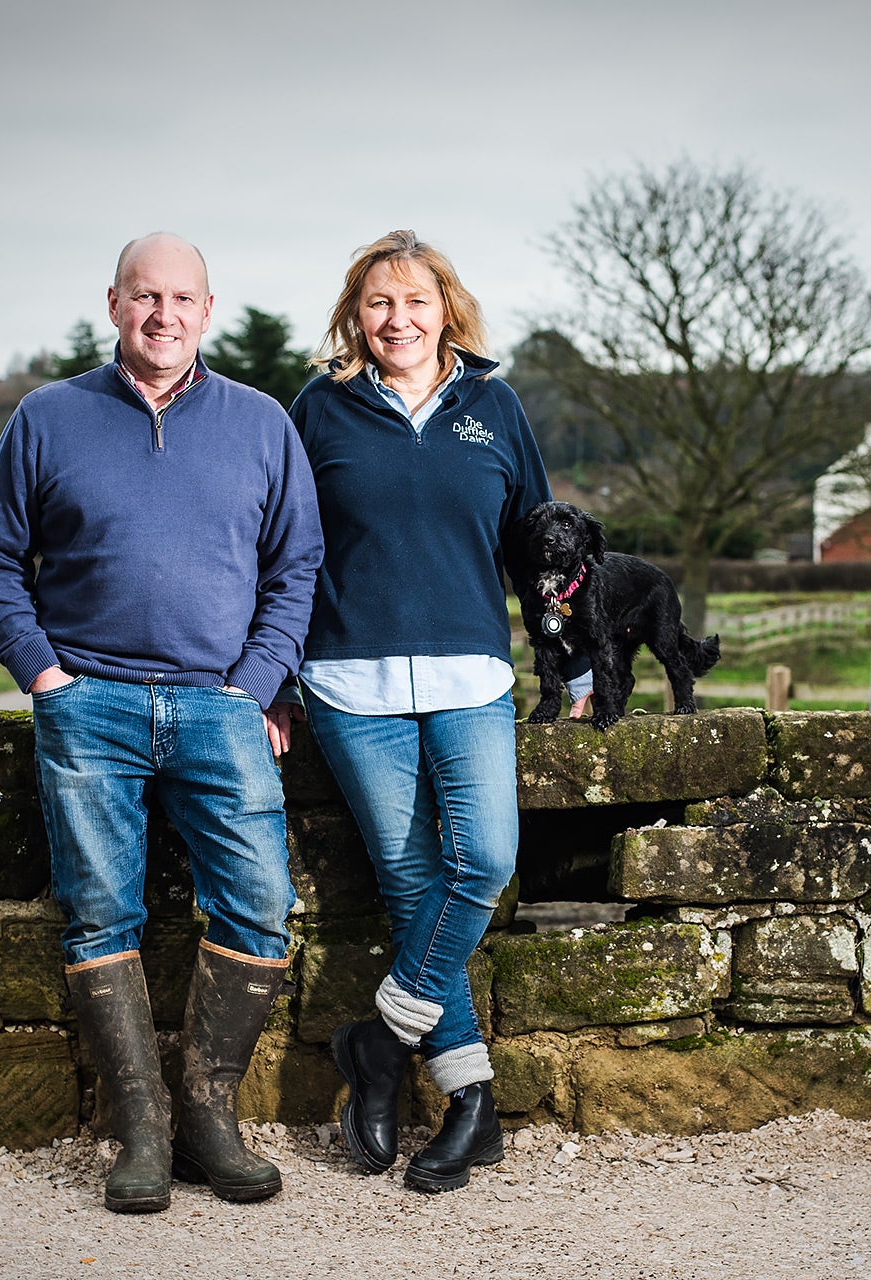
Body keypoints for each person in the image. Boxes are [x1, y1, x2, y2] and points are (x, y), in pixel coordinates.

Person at [0, 233, 322, 1214]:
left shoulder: (261, 423)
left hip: (221, 704)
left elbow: (297, 567)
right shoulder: (48, 415)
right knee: (98, 911)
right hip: (92, 704)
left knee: (258, 900)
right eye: (143, 296)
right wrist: (44, 676)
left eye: (180, 297)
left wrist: (253, 687)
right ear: (113, 304)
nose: (162, 314)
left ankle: (209, 1115)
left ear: (207, 309)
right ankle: (143, 1130)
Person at [286, 230, 587, 1193]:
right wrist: (272, 676)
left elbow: (540, 548)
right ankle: (471, 1102)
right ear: (355, 313)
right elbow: (283, 548)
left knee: (485, 862)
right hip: (348, 685)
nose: (397, 320)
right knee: (413, 884)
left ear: (446, 308)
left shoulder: (495, 407)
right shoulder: (318, 410)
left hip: (472, 681)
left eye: (416, 302)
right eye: (379, 303)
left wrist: (570, 664)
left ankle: (377, 1042)